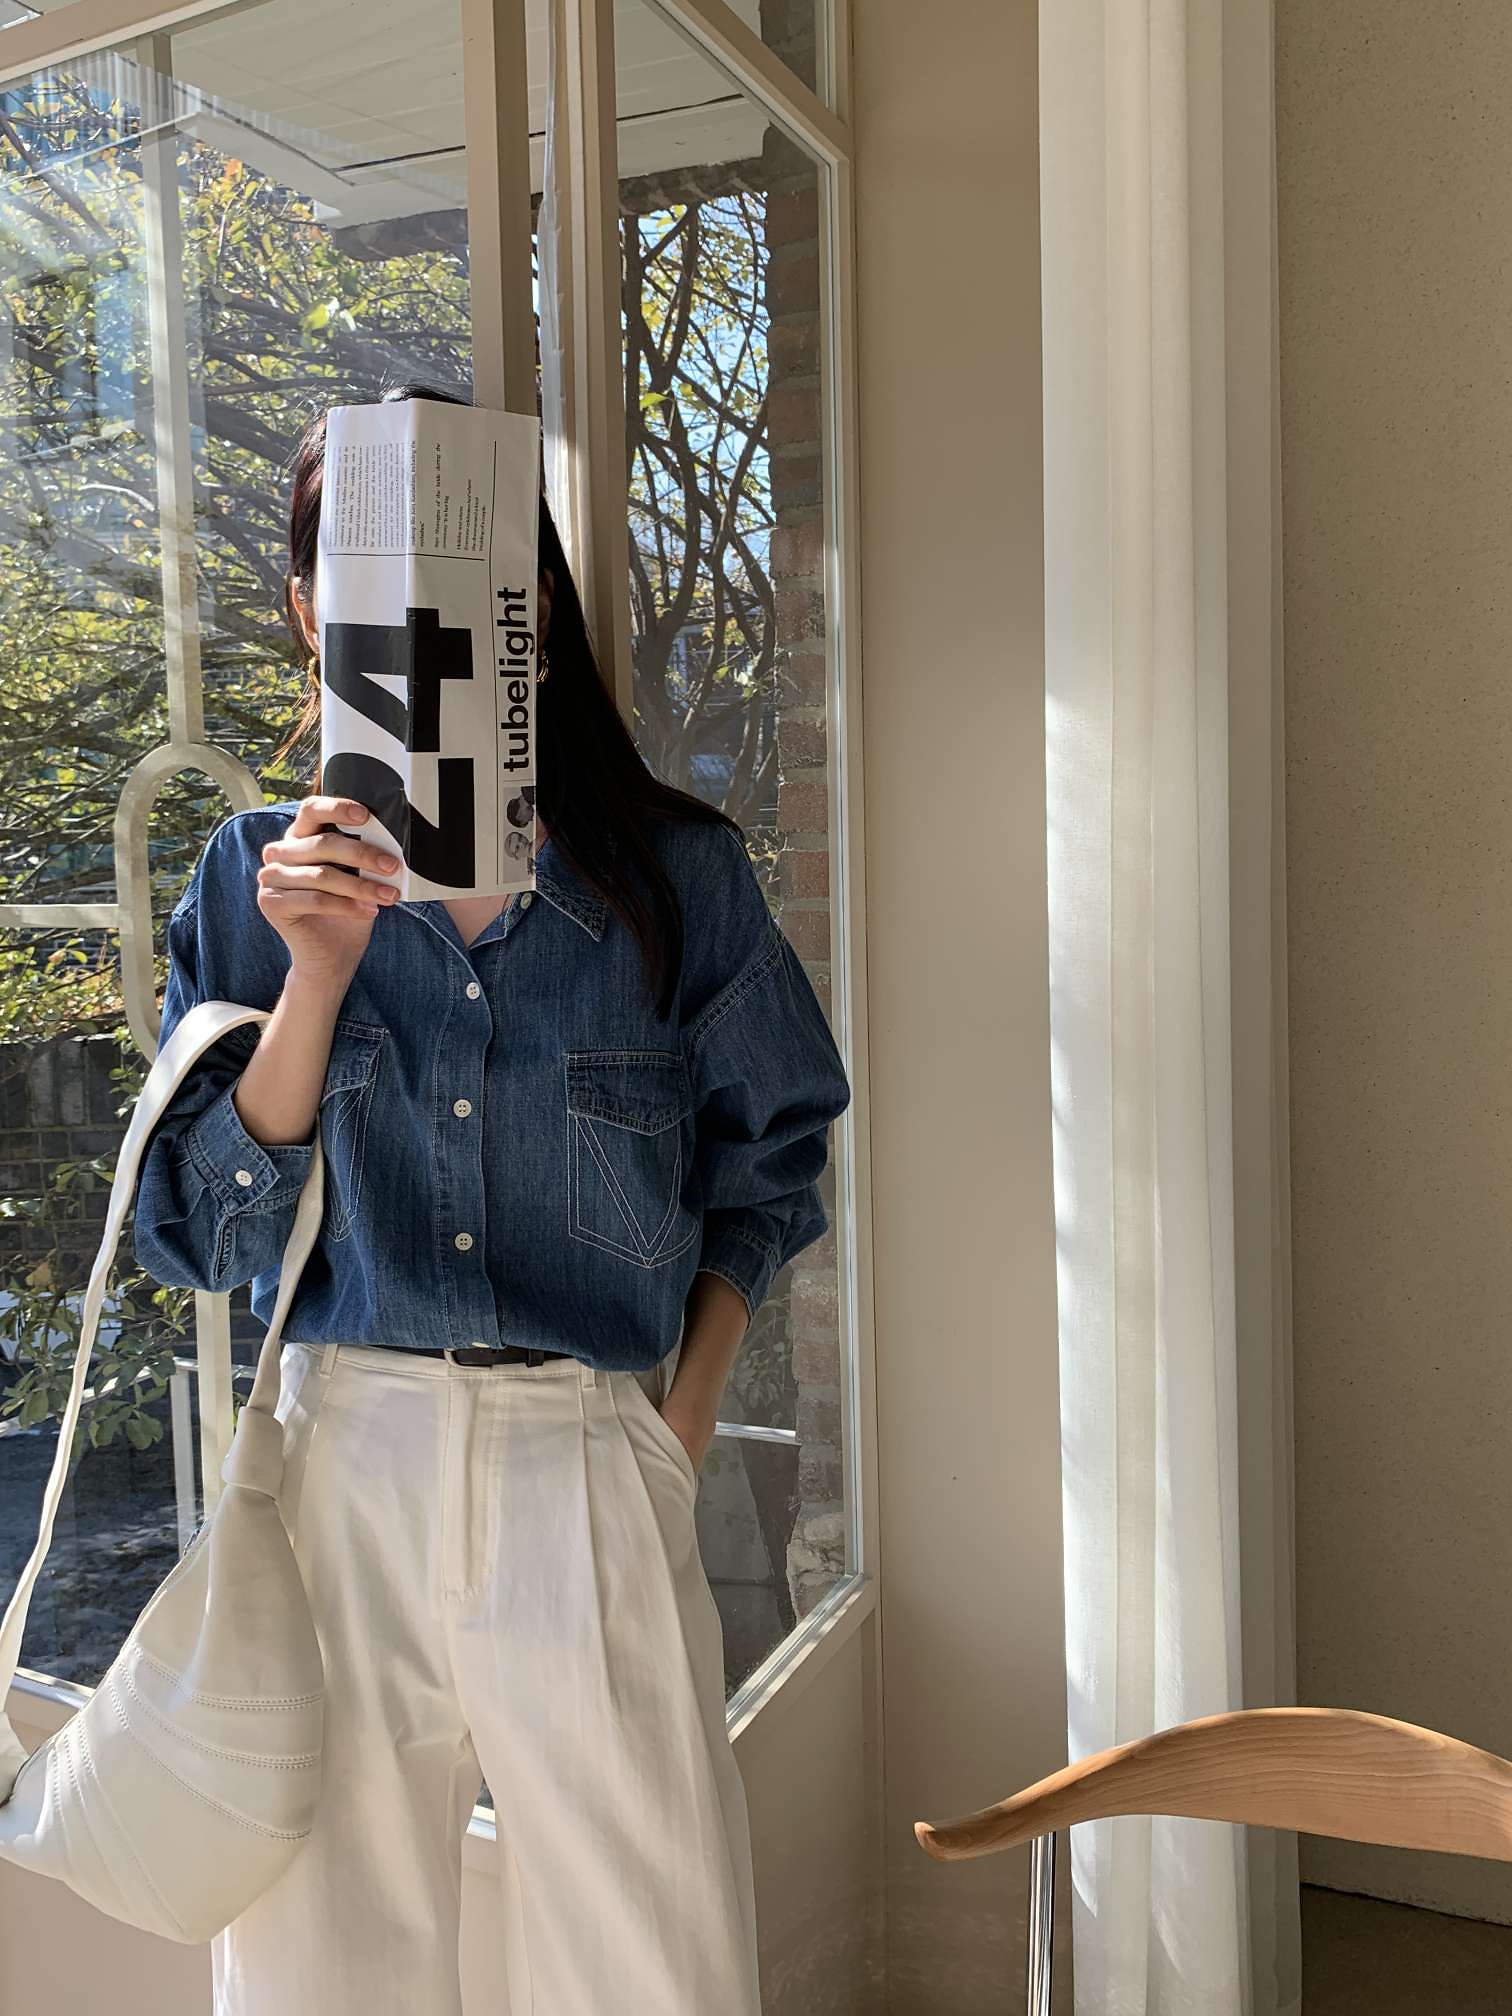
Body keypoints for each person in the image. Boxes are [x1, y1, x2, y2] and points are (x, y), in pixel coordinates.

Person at [131, 383, 851, 2016]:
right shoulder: (249, 886)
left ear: (524, 607)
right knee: (323, 1968)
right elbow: (203, 1238)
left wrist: (676, 1422)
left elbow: (775, 1154)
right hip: (341, 1461)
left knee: (651, 1964)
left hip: (584, 1458)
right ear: (311, 611)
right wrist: (317, 974)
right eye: (357, 575)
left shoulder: (673, 880)